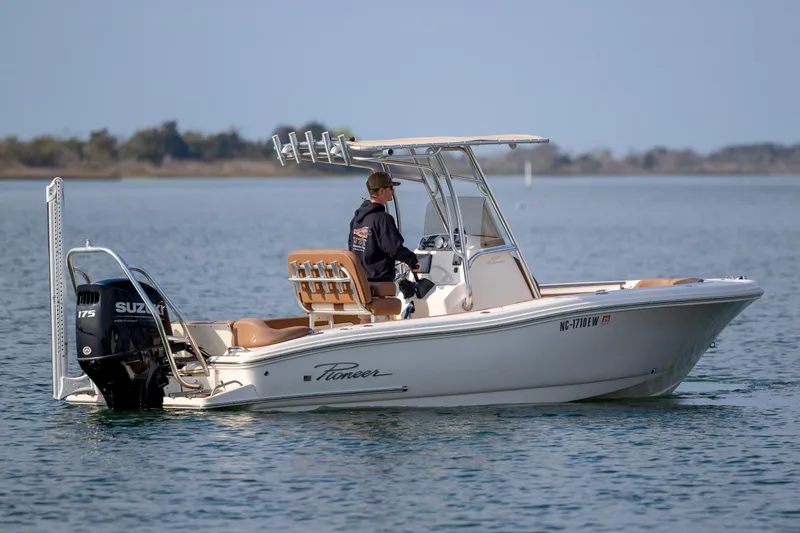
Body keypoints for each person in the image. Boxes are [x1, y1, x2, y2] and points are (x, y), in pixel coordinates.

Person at [348, 171, 420, 282]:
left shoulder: (356, 219)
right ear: (381, 191)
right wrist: (413, 261)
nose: (393, 191)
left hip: (361, 280)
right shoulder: (383, 219)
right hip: (379, 281)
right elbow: (395, 249)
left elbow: (351, 247)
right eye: (391, 188)